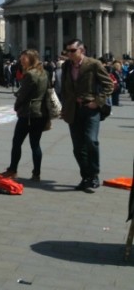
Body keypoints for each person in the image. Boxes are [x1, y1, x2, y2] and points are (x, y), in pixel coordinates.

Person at [60, 38, 114, 192]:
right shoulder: (66, 66)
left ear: (81, 50)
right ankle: (86, 176)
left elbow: (109, 84)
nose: (69, 54)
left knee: (91, 140)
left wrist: (97, 102)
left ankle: (94, 174)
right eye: (67, 51)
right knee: (78, 147)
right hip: (73, 110)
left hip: (90, 109)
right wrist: (64, 106)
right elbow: (64, 88)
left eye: (72, 51)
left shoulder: (93, 64)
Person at [2, 49, 49, 181]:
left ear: (32, 59)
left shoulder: (30, 74)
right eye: (21, 59)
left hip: (28, 113)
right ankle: (36, 173)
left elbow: (24, 94)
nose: (21, 62)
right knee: (35, 144)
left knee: (17, 142)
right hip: (41, 113)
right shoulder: (45, 73)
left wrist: (17, 105)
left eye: (24, 59)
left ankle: (12, 170)